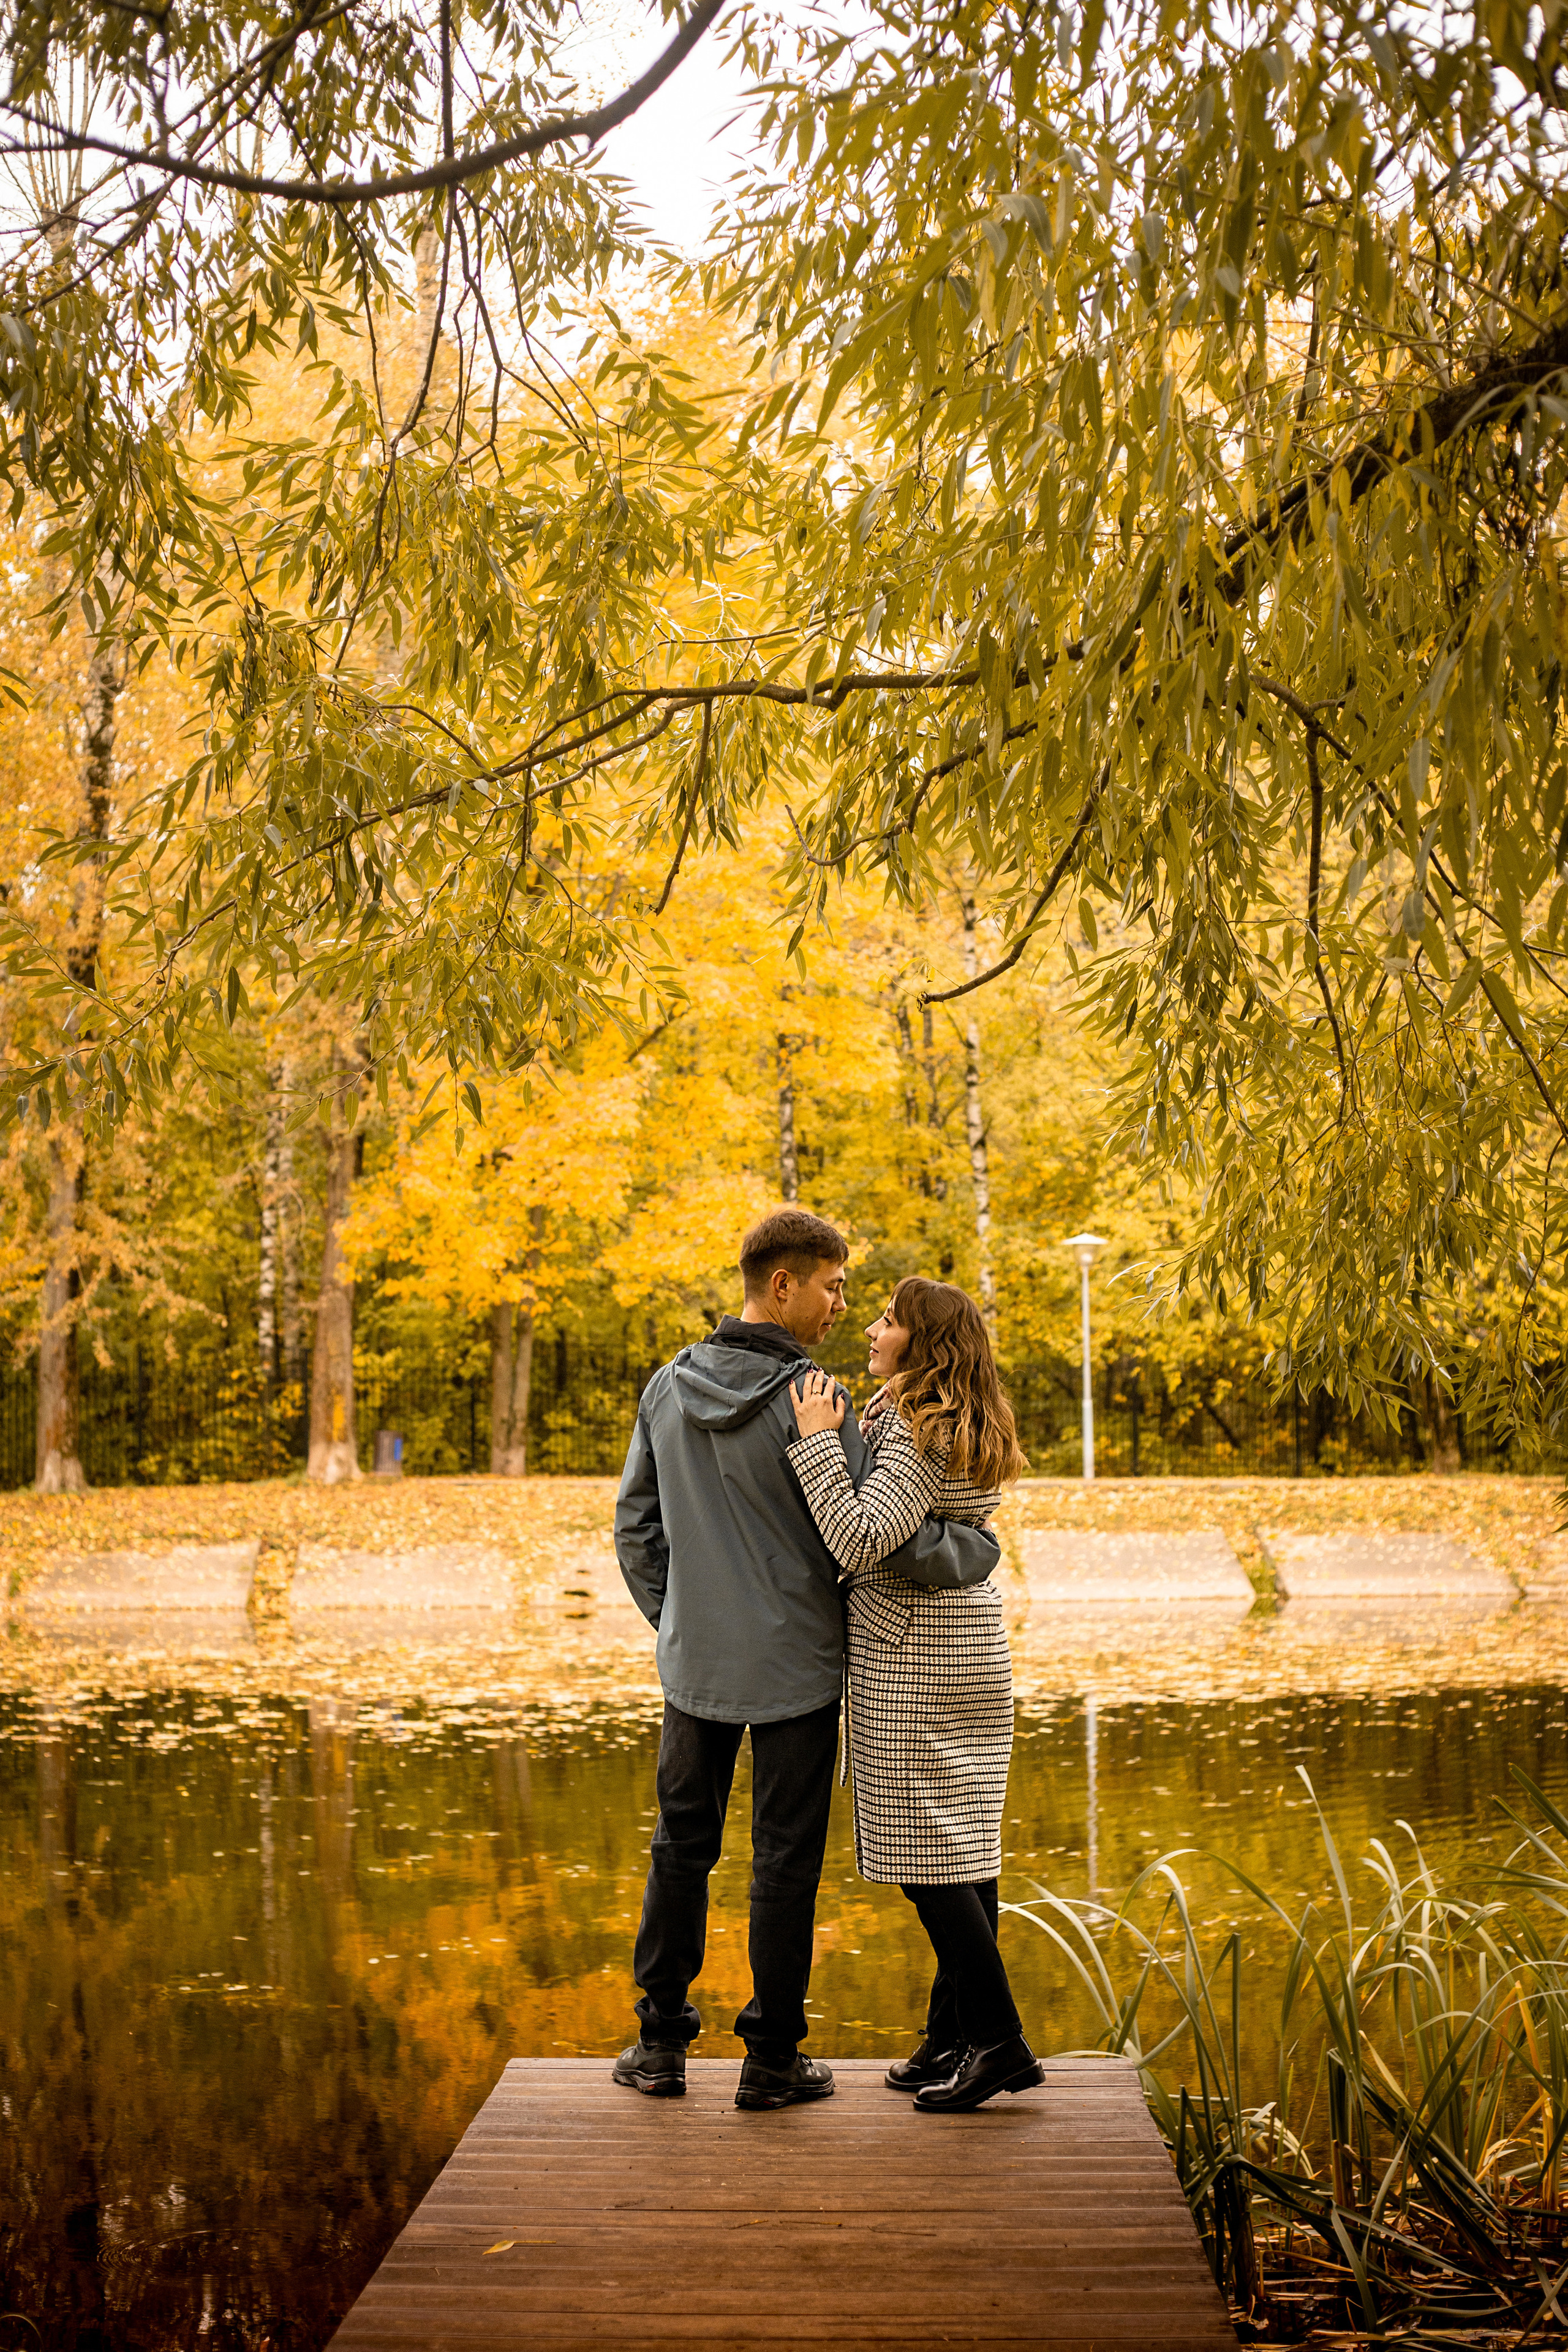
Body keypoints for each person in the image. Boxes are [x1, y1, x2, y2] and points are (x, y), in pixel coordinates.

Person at [613, 1208, 1000, 2112]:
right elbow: (876, 1535)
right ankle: (772, 2059)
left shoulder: (667, 1388)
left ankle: (660, 2045)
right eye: (832, 1286)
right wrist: (975, 1547)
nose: (842, 1306)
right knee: (784, 1863)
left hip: (697, 1668)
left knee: (680, 1848)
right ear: (782, 1285)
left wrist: (682, 1623)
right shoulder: (819, 1402)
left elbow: (637, 1528)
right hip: (802, 1668)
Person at [788, 1275, 1041, 2114]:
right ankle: (952, 2035)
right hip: (968, 1650)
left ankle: (998, 2041)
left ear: (922, 1343)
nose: (870, 1328)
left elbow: (861, 1537)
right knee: (965, 1849)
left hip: (910, 1661)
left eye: (888, 1320)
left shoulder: (913, 1422)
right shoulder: (968, 1416)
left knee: (925, 1857)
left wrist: (818, 1443)